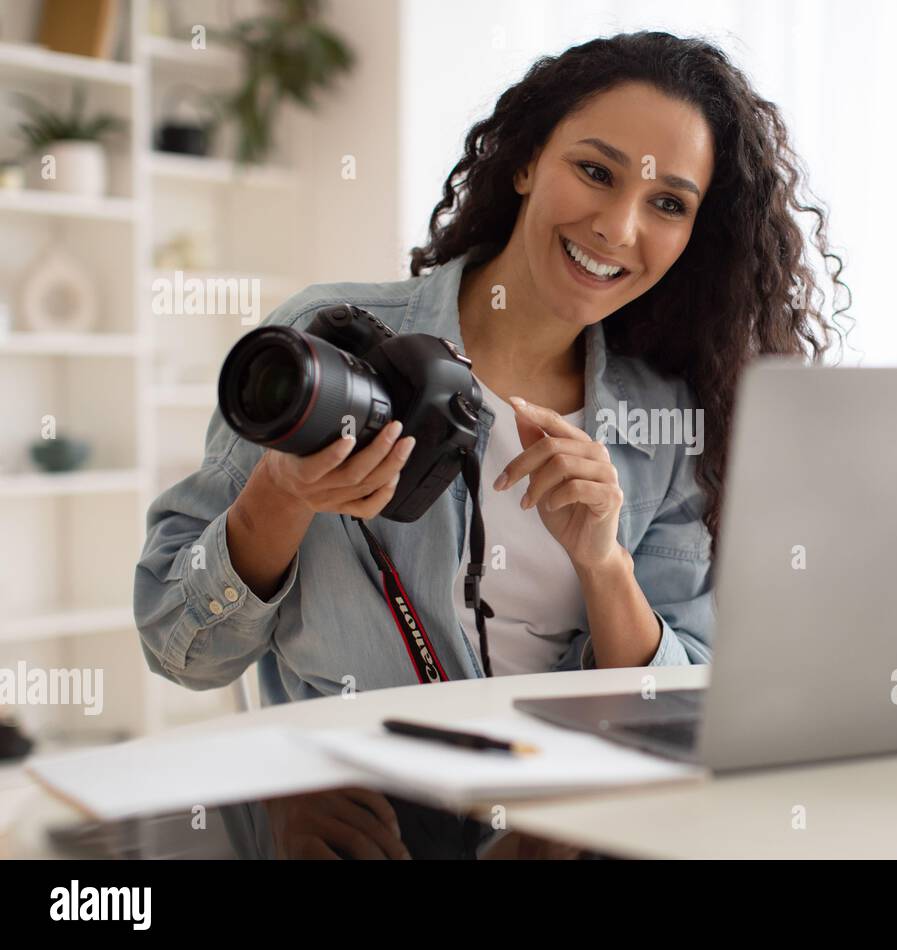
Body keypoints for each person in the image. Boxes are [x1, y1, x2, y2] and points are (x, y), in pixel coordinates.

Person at [133, 30, 851, 859]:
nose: (618, 226)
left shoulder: (669, 423)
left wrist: (604, 564)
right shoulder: (319, 347)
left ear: (696, 233)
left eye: (668, 204)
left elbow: (682, 700)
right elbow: (176, 644)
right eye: (595, 170)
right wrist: (281, 498)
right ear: (524, 162)